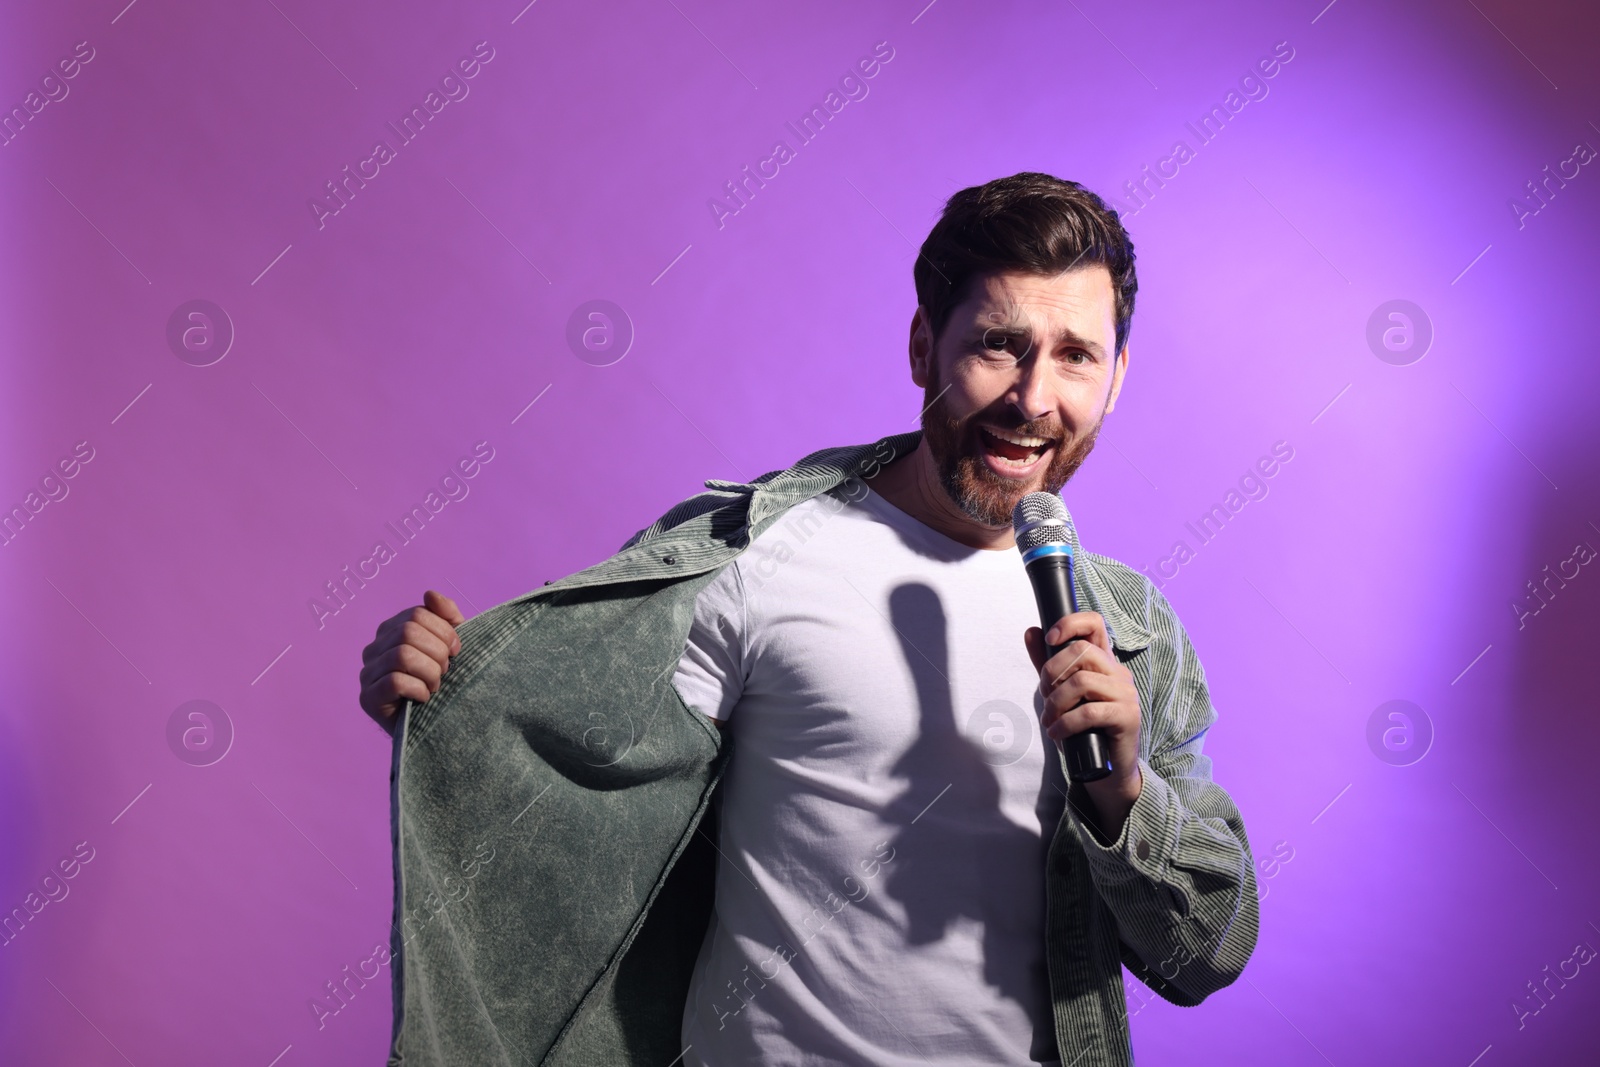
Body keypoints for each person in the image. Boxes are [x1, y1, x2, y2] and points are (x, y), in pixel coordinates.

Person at [359, 172, 1258, 1067]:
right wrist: (455, 685)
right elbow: (565, 767)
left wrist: (1122, 795)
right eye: (998, 344)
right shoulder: (763, 553)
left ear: (1118, 376)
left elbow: (1205, 953)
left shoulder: (1130, 633)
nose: (1033, 397)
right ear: (922, 347)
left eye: (1076, 356)